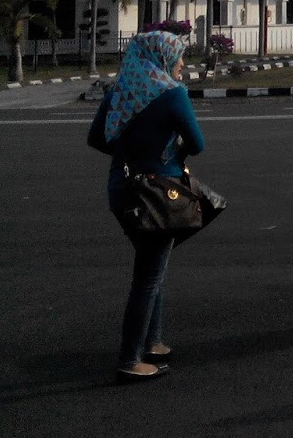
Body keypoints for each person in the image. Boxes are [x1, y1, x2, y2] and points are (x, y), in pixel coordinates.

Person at [86, 30, 205, 384]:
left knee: (154, 266)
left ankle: (152, 342)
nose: (183, 63)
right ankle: (130, 358)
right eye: (179, 56)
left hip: (122, 191)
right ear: (162, 58)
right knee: (148, 277)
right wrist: (164, 154)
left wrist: (130, 156)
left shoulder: (121, 91)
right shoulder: (172, 94)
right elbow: (197, 143)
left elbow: (96, 138)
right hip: (159, 196)